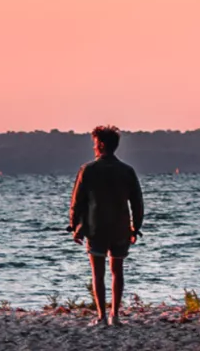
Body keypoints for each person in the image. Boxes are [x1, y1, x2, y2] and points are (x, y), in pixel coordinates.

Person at [67, 125, 144, 327]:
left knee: (98, 274)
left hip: (95, 228)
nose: (93, 148)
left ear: (100, 145)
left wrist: (74, 225)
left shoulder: (88, 170)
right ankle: (115, 315)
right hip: (120, 228)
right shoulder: (127, 171)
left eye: (94, 144)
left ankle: (101, 316)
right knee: (117, 271)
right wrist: (136, 227)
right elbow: (137, 202)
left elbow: (77, 202)